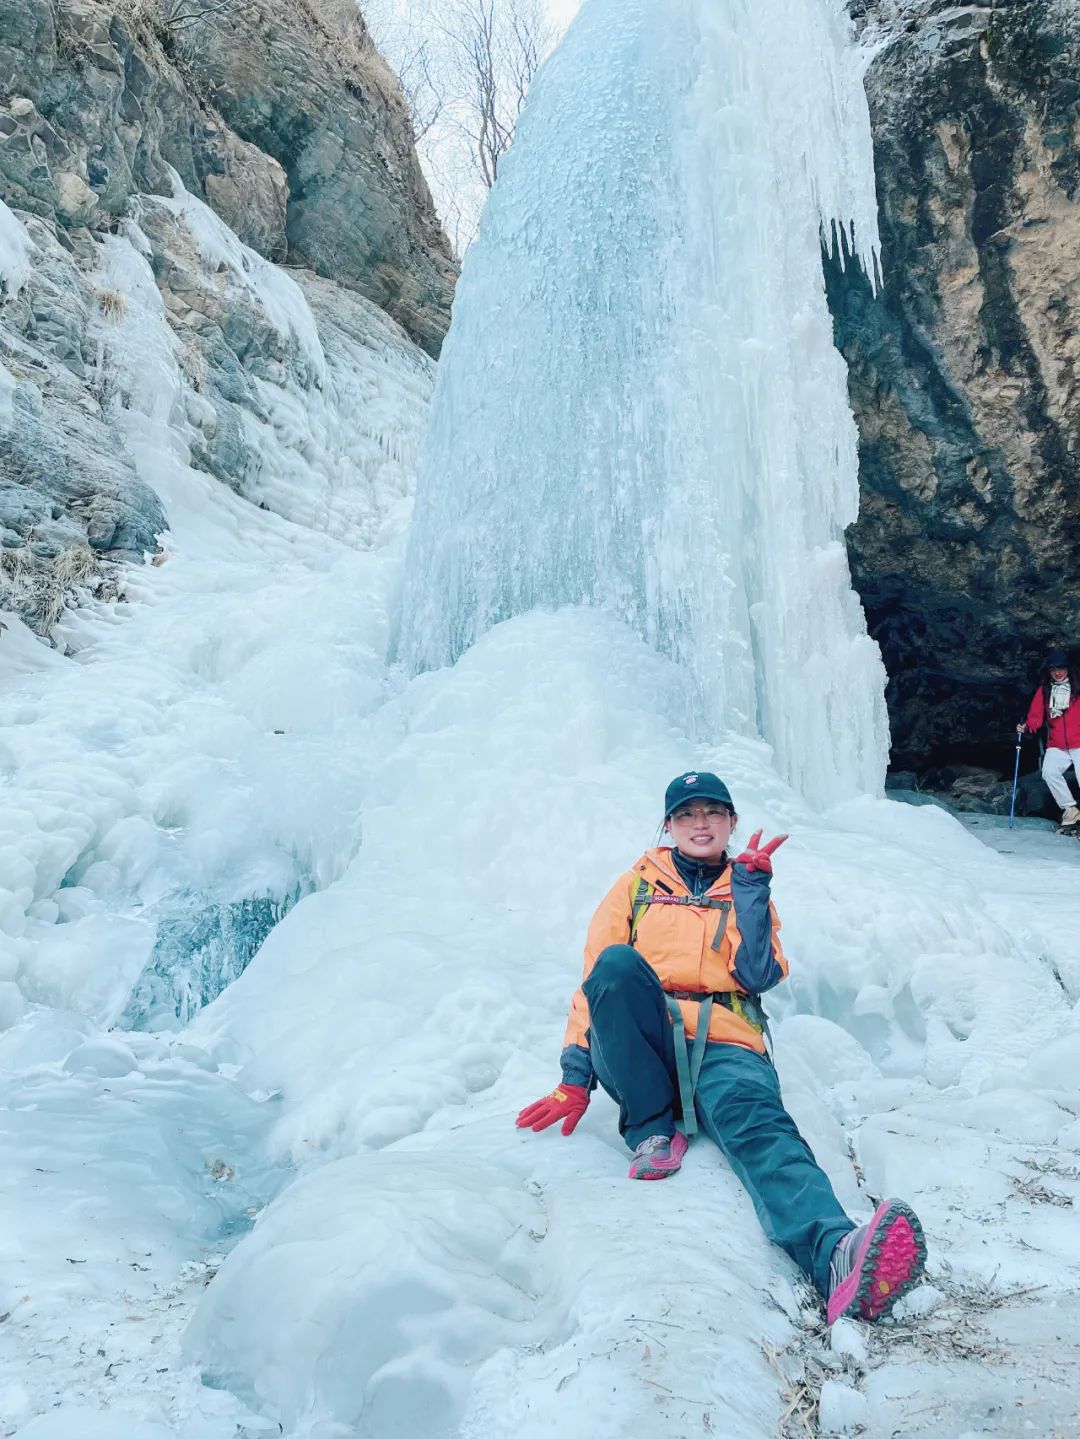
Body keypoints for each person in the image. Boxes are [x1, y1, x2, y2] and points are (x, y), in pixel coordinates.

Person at [516, 771, 927, 1325]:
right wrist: (574, 1074)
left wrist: (753, 895)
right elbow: (596, 979)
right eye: (687, 814)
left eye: (713, 812)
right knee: (617, 965)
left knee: (763, 1132)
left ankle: (835, 1256)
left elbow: (757, 974)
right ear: (669, 826)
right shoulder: (637, 883)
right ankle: (651, 1130)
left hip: (725, 1038)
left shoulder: (745, 883)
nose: (700, 823)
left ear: (731, 823)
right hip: (646, 1039)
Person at [1017, 647, 1080, 834]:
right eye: (1053, 669)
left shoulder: (1078, 687)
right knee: (1049, 772)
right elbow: (1036, 717)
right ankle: (1070, 810)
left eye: (1061, 668)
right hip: (1057, 743)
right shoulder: (1044, 691)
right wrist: (1027, 727)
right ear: (1049, 672)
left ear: (1068, 669)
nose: (1058, 673)